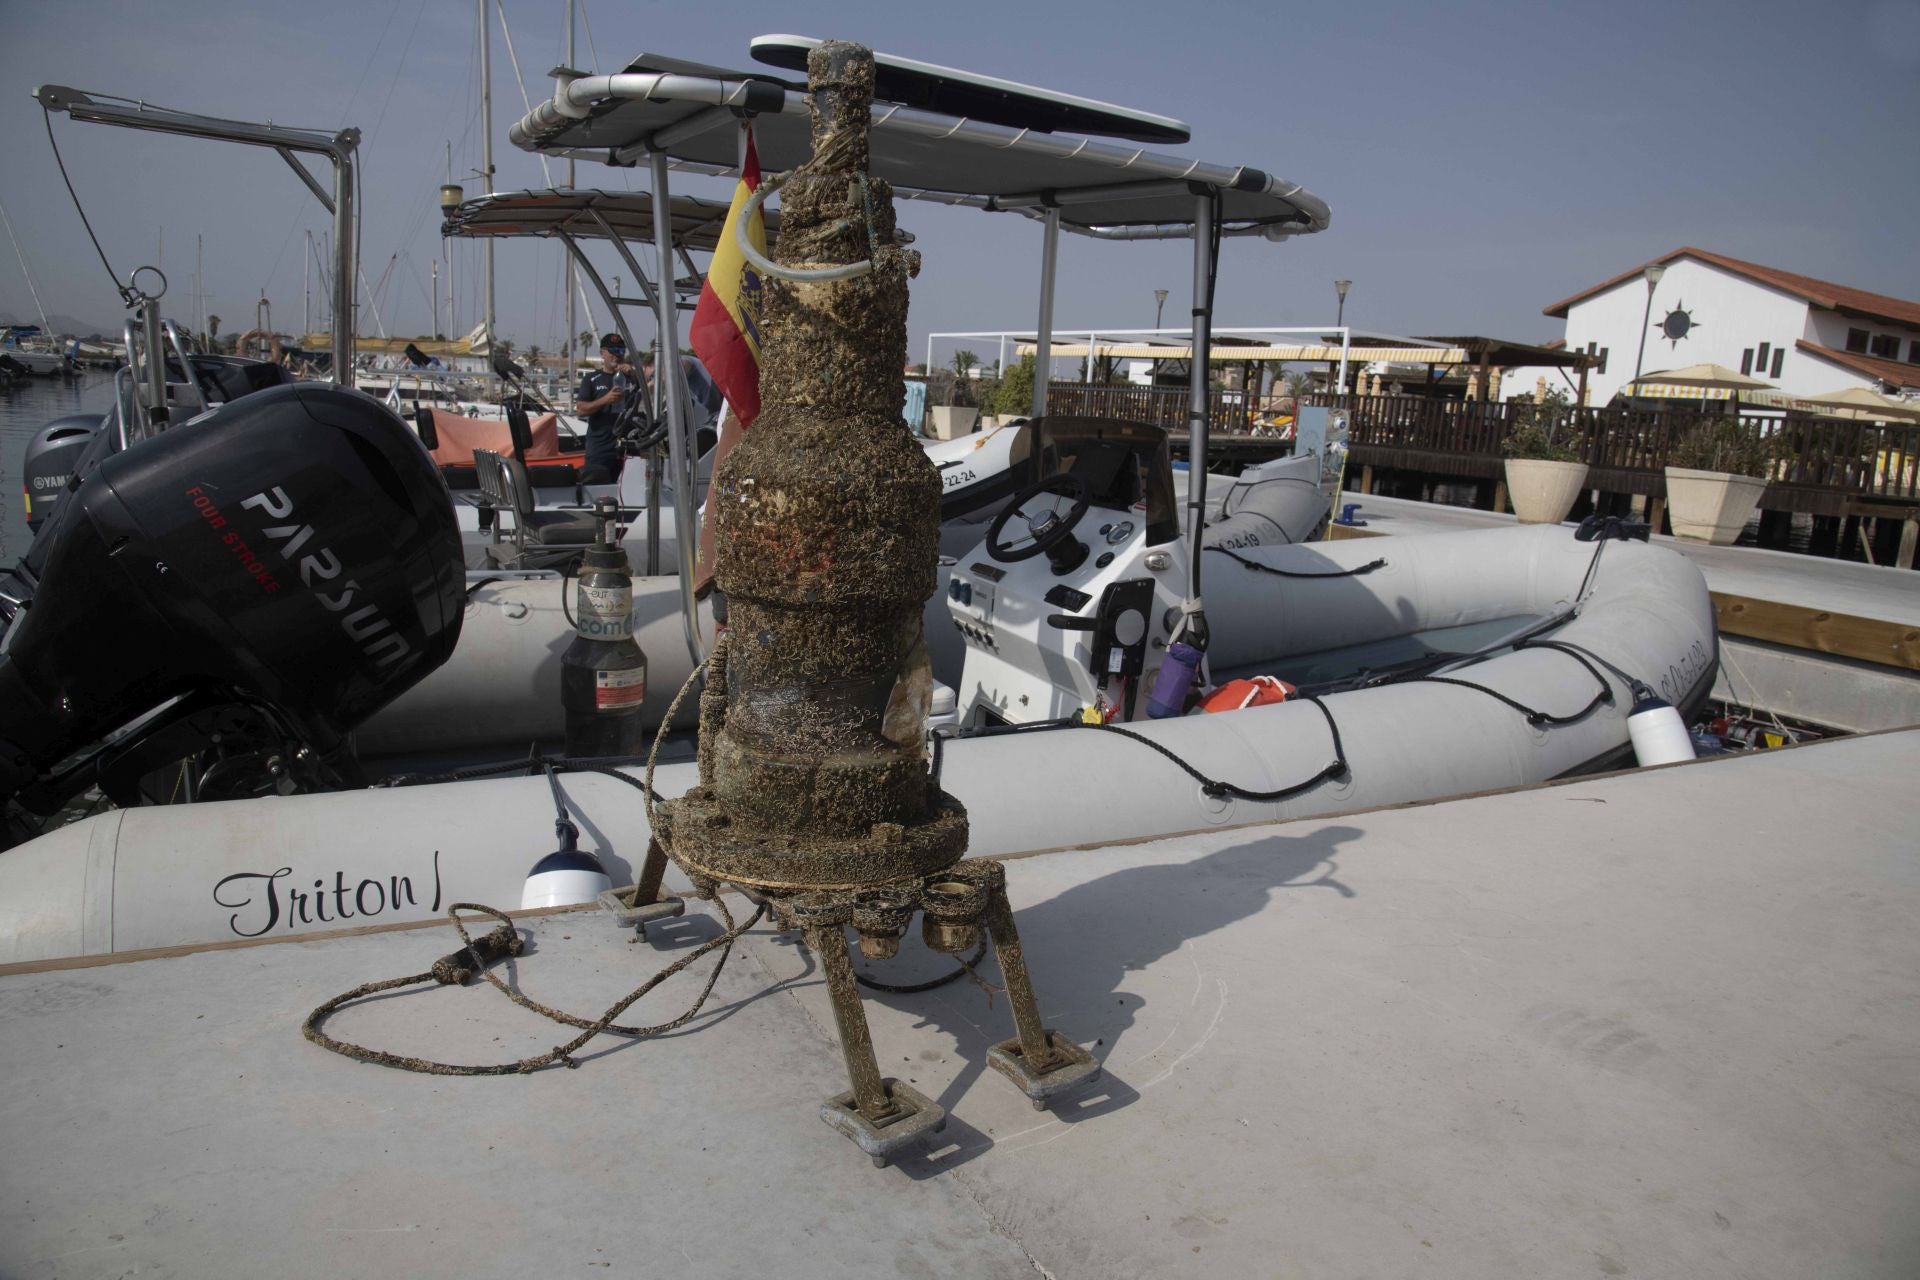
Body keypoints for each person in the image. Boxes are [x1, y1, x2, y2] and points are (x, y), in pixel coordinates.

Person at [574, 333, 638, 485]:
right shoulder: (591, 379)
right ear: (603, 353)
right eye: (613, 351)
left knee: (627, 491)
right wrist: (605, 400)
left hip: (626, 448)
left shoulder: (631, 378)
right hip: (600, 448)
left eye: (621, 351)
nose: (617, 356)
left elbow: (655, 386)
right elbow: (581, 410)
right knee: (597, 489)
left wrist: (635, 373)